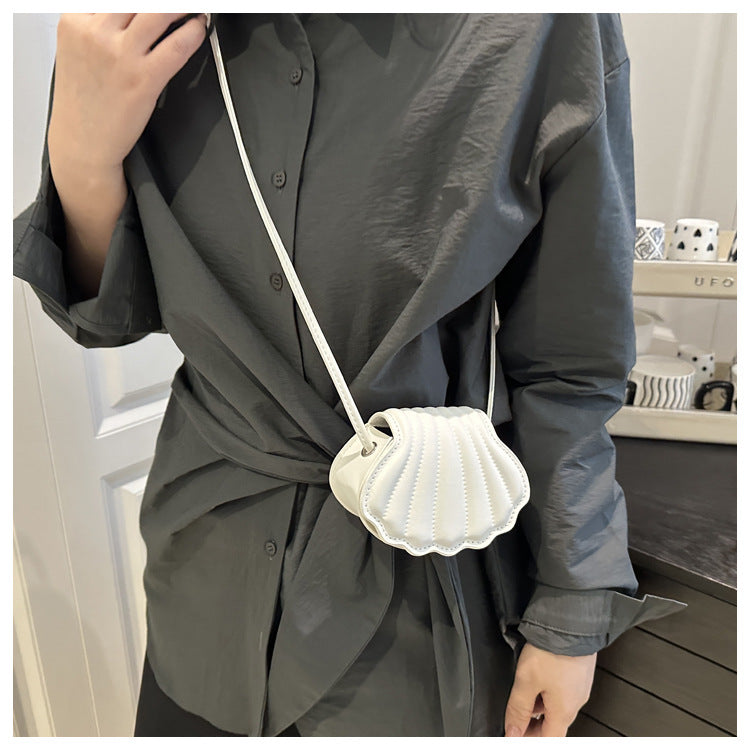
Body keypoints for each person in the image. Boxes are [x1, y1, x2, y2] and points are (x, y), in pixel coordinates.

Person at [13, 13, 687, 738]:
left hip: (410, 613)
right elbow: (107, 315)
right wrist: (81, 156)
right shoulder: (136, 25)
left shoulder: (541, 26)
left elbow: (568, 365)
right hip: (201, 594)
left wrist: (571, 609)